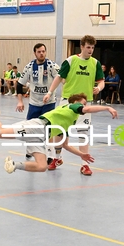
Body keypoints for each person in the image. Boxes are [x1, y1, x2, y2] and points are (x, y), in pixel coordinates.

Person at [0, 93, 117, 174]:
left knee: (42, 166)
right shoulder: (71, 106)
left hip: (41, 138)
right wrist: (107, 108)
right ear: (76, 102)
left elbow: (65, 145)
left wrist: (81, 154)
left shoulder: (70, 121)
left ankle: (14, 165)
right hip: (38, 127)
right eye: (83, 103)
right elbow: (86, 110)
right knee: (1, 133)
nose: (84, 106)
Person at [42, 35, 105, 175]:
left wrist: (99, 88)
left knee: (83, 133)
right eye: (88, 47)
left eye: (92, 48)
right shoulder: (70, 61)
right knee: (60, 132)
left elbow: (101, 81)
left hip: (85, 104)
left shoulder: (95, 63)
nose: (90, 50)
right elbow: (59, 78)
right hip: (67, 102)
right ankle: (57, 158)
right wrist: (49, 93)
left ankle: (84, 165)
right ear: (82, 47)